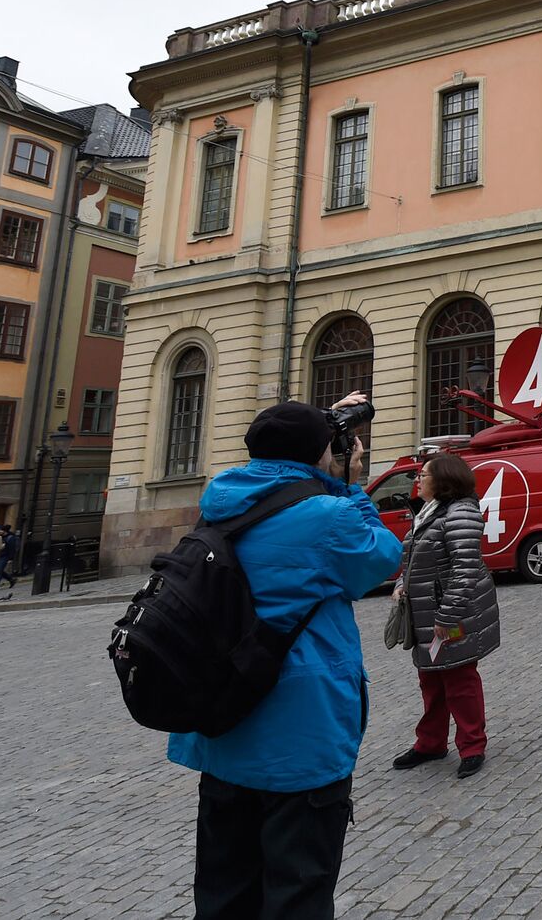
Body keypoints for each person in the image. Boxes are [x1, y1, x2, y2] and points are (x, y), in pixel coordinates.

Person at [168, 391, 402, 920]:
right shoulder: (327, 515)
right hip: (299, 740)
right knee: (298, 896)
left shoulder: (221, 501)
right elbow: (383, 558)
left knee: (225, 893)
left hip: (223, 726)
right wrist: (351, 483)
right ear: (320, 455)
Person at [390, 454, 501, 779]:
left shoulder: (459, 513)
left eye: (423, 475)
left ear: (443, 479)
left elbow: (465, 570)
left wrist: (447, 615)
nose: (418, 480)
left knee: (459, 679)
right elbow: (411, 560)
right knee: (431, 679)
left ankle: (472, 746)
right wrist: (400, 585)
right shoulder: (430, 511)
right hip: (426, 613)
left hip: (449, 617)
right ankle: (430, 743)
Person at [0, 523, 22, 589]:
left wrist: (10, 558)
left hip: (5, 556)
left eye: (0, 530)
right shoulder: (0, 537)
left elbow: (12, 549)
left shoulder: (10, 538)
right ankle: (11, 579)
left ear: (4, 531)